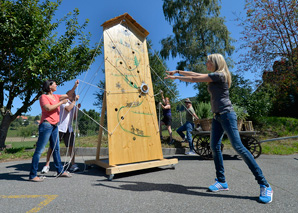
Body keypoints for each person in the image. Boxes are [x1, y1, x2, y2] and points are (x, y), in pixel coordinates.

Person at [165, 53, 273, 204]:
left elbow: (195, 78)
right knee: (214, 147)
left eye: (209, 61)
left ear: (216, 62)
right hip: (217, 117)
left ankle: (264, 184)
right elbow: (195, 74)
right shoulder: (215, 75)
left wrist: (176, 77)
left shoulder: (220, 75)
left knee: (238, 147)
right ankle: (221, 181)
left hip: (227, 115)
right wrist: (177, 71)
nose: (206, 63)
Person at [29, 80, 79, 182]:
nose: (56, 85)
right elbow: (48, 108)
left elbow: (68, 94)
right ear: (50, 86)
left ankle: (60, 171)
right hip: (46, 125)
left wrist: (75, 86)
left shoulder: (56, 96)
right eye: (55, 84)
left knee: (56, 148)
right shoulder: (43, 97)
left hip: (55, 126)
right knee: (40, 150)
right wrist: (61, 102)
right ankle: (33, 175)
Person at [41, 91, 81, 174]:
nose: (74, 95)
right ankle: (47, 165)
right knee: (52, 146)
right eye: (72, 94)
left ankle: (73, 164)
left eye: (74, 94)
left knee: (71, 146)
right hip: (60, 127)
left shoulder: (71, 103)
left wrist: (77, 108)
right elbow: (68, 109)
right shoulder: (63, 102)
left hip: (69, 128)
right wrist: (74, 101)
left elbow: (74, 117)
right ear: (68, 95)